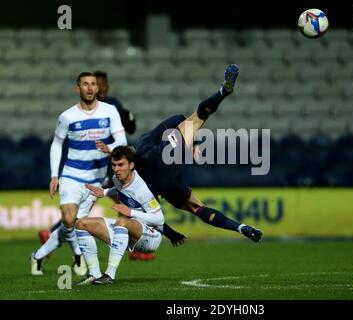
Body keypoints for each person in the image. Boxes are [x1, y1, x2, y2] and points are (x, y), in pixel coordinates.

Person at [134, 64, 263, 242]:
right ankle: (223, 92)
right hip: (166, 159)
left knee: (198, 209)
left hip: (164, 186)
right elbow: (179, 118)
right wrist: (193, 142)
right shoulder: (144, 142)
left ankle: (241, 227)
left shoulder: (127, 185)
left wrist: (170, 234)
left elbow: (151, 218)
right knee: (198, 117)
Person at [30, 72, 128, 276]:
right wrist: (54, 175)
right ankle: (77, 254)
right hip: (72, 176)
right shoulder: (68, 116)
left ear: (98, 89)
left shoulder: (110, 111)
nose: (90, 87)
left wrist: (109, 147)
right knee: (68, 219)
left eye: (93, 84)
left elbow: (123, 142)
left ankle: (37, 256)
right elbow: (57, 144)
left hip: (97, 180)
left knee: (75, 224)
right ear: (78, 88)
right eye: (85, 84)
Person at [75, 145, 165, 284]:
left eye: (121, 165)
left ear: (131, 165)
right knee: (81, 224)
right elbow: (118, 188)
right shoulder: (117, 179)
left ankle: (110, 275)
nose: (116, 169)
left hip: (152, 236)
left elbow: (160, 219)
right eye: (114, 165)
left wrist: (131, 212)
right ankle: (94, 274)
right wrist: (104, 192)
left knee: (122, 220)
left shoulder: (142, 189)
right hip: (128, 231)